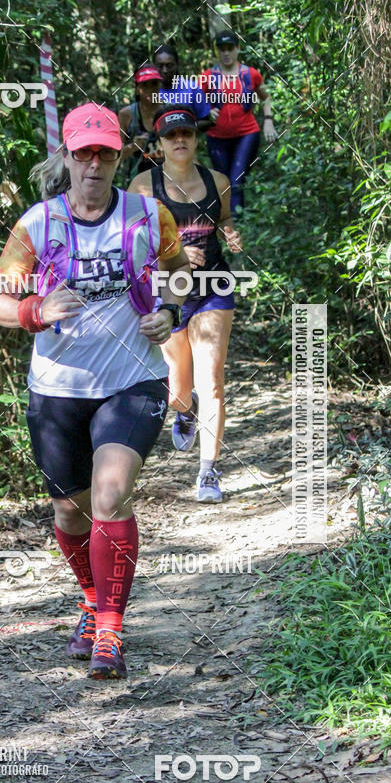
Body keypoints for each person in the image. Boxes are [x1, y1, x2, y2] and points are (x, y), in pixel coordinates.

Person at [0, 103, 189, 679]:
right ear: (68, 157)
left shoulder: (149, 215)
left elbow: (178, 273)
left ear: (119, 155)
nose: (94, 163)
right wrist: (35, 309)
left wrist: (169, 311)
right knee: (70, 513)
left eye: (105, 152)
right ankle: (91, 597)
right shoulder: (38, 225)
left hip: (133, 379)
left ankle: (109, 630)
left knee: (110, 496)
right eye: (84, 153)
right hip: (57, 388)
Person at [128, 106, 243, 502]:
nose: (180, 141)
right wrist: (171, 255)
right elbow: (130, 248)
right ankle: (185, 407)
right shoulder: (142, 187)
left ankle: (209, 472)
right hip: (167, 292)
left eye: (186, 135)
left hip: (213, 287)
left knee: (212, 381)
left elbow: (223, 219)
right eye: (171, 136)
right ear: (159, 144)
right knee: (178, 387)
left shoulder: (218, 181)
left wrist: (229, 233)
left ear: (196, 139)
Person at [199, 30, 277, 215]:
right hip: (217, 137)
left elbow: (266, 97)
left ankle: (239, 225)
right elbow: (195, 104)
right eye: (222, 49)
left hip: (246, 135)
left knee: (236, 180)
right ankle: (226, 221)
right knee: (224, 182)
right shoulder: (207, 77)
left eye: (230, 49)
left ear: (237, 49)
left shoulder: (251, 74)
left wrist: (268, 121)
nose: (226, 53)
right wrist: (207, 112)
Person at [118, 65, 164, 181]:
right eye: (145, 85)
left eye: (154, 84)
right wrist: (133, 147)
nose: (150, 89)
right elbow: (115, 156)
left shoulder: (169, 111)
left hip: (168, 180)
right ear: (137, 88)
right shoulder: (126, 115)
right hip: (137, 182)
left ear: (159, 85)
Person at [154, 42, 212, 126]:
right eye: (160, 66)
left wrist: (187, 126)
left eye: (169, 65)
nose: (165, 70)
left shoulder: (191, 89)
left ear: (177, 65)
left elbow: (206, 121)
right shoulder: (148, 92)